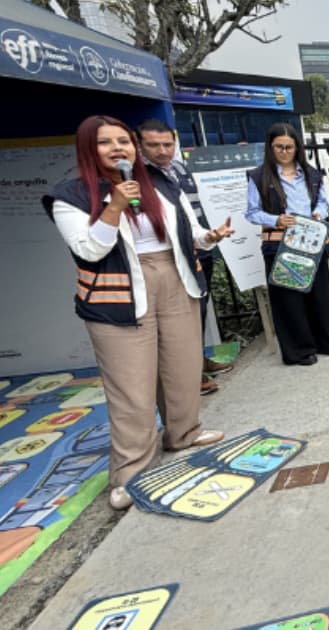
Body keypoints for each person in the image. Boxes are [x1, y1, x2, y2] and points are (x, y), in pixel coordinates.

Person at [43, 115, 231, 510]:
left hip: (175, 278)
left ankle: (183, 432)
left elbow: (190, 231)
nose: (118, 149)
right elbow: (90, 250)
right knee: (132, 388)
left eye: (124, 141)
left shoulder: (161, 183)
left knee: (182, 367)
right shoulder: (71, 195)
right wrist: (113, 206)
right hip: (118, 296)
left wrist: (210, 237)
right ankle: (131, 472)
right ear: (87, 149)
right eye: (105, 142)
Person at [137, 119, 235, 396]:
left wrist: (210, 237)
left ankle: (197, 362)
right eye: (153, 145)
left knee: (196, 313)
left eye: (167, 144)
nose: (162, 151)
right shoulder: (137, 179)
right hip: (164, 262)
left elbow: (192, 217)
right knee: (169, 326)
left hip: (198, 248)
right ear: (140, 146)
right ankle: (189, 377)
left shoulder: (179, 170)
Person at [245, 122, 329, 365]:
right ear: (270, 147)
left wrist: (319, 213)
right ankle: (299, 350)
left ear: (297, 147)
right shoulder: (259, 176)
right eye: (279, 147)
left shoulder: (311, 174)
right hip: (280, 244)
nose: (285, 152)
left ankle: (325, 342)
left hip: (311, 242)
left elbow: (323, 202)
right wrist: (275, 219)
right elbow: (252, 212)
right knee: (289, 300)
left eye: (289, 147)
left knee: (319, 295)